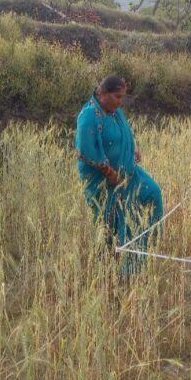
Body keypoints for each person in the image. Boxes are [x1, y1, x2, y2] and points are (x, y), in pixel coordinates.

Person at [75, 75, 163, 277]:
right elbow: (84, 151)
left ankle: (145, 247)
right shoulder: (89, 115)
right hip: (103, 180)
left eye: (123, 97)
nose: (120, 101)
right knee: (111, 222)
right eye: (117, 96)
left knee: (153, 193)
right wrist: (109, 172)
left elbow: (126, 134)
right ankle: (113, 267)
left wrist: (134, 149)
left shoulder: (115, 112)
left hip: (128, 172)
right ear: (103, 93)